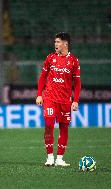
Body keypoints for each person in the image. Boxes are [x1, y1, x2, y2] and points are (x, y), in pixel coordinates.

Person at [36, 32, 81, 167]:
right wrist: (39, 94)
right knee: (49, 125)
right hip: (49, 97)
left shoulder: (73, 60)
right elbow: (43, 77)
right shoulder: (50, 58)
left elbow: (77, 83)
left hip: (65, 101)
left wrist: (76, 100)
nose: (55, 44)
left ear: (65, 44)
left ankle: (60, 158)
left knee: (64, 128)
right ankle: (50, 157)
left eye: (58, 42)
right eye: (55, 42)